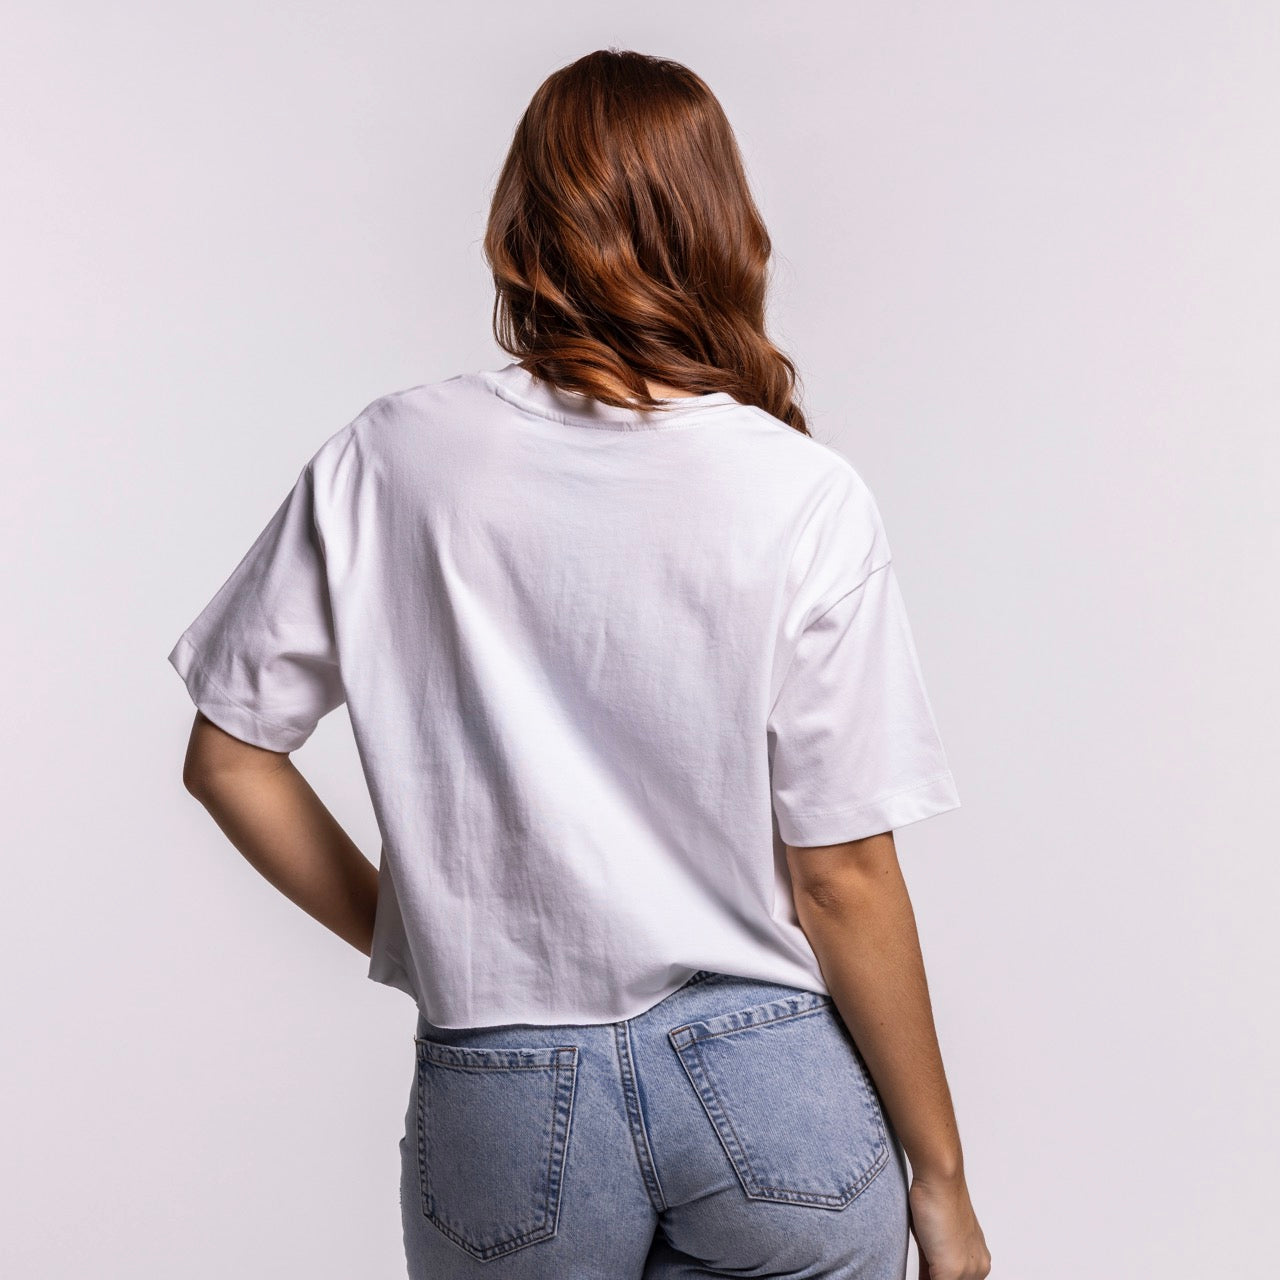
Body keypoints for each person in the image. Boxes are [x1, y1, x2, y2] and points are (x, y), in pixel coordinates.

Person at [168, 47, 991, 1280]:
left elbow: (229, 756)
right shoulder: (799, 491)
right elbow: (841, 873)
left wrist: (414, 930)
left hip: (501, 1085)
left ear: (521, 227)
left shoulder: (391, 458)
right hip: (767, 1076)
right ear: (722, 227)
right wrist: (942, 1179)